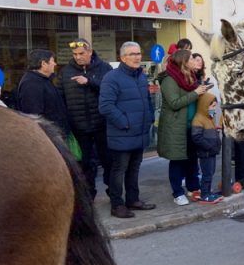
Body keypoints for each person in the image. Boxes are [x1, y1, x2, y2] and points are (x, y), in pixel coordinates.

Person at [98, 42, 156, 219]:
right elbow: (105, 106)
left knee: (134, 168)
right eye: (132, 54)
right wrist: (125, 123)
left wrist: (150, 118)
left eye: (139, 53)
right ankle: (117, 205)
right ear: (122, 58)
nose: (137, 57)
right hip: (123, 132)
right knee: (119, 169)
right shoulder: (112, 77)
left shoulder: (141, 76)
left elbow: (147, 99)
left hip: (140, 131)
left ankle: (133, 199)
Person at [57, 39, 113, 200]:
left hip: (102, 123)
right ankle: (88, 195)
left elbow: (112, 90)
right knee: (84, 163)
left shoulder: (104, 68)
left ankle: (113, 194)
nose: (78, 57)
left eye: (81, 53)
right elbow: (60, 96)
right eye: (75, 54)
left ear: (90, 51)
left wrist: (90, 82)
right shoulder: (66, 71)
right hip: (79, 126)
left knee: (108, 160)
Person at [157, 49, 208, 205]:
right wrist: (196, 92)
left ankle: (193, 188)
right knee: (177, 160)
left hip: (192, 125)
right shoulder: (169, 80)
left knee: (192, 160)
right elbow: (174, 103)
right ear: (184, 62)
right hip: (175, 127)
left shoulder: (191, 77)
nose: (195, 61)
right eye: (192, 59)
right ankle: (178, 193)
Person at [17, 49, 69, 136]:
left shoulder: (43, 80)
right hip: (48, 137)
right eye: (53, 61)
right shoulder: (31, 84)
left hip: (54, 134)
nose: (55, 64)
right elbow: (34, 116)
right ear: (44, 64)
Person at [190, 93, 223, 204]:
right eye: (212, 106)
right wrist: (209, 147)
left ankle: (208, 192)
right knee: (207, 173)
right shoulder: (199, 119)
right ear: (205, 105)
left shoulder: (209, 118)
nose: (213, 108)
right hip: (206, 152)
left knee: (211, 171)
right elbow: (196, 136)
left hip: (211, 151)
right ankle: (205, 194)